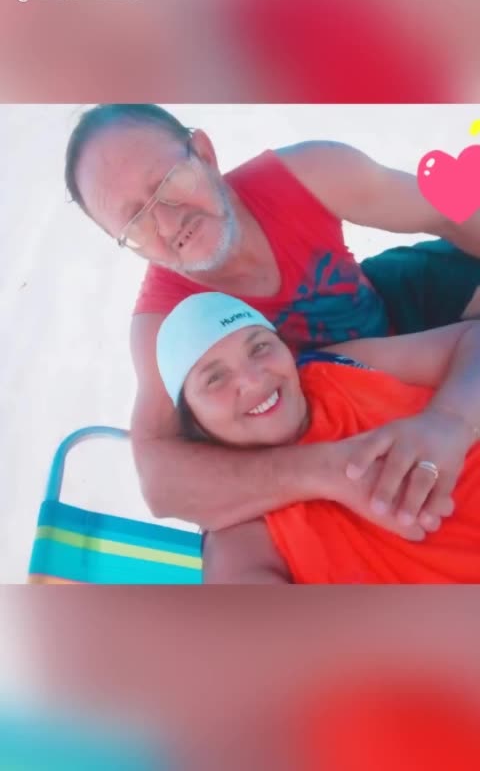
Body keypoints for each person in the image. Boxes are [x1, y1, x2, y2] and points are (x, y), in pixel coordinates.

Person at [64, 103, 480, 535]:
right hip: (337, 408)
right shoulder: (168, 325)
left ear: (204, 153)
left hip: (392, 306)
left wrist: (451, 419)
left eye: (168, 182)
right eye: (136, 221)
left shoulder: (306, 177)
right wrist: (329, 471)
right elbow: (162, 480)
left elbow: (451, 211)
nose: (168, 224)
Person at [157, 292, 480, 583]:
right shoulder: (237, 527)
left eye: (259, 347)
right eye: (215, 378)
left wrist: (449, 419)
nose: (253, 380)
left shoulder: (334, 366)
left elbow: (471, 338)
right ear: (194, 422)